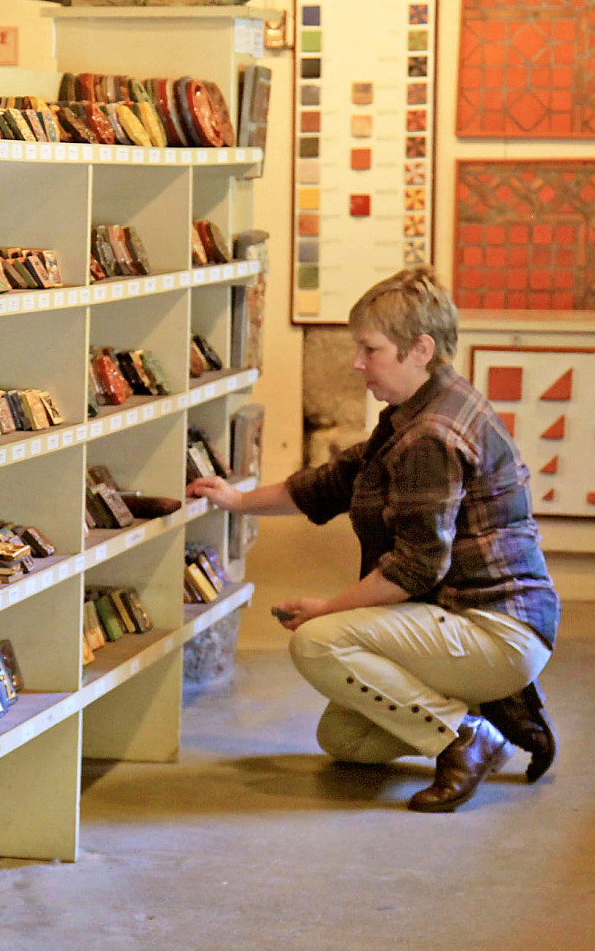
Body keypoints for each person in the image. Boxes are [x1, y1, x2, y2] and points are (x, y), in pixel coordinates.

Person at [187, 267, 558, 813]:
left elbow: (415, 568)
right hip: (475, 618)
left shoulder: (431, 435)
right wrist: (239, 500)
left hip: (492, 624)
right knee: (347, 741)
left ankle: (464, 737)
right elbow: (334, 481)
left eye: (370, 349)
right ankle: (491, 708)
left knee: (318, 642)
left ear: (420, 349)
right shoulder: (422, 408)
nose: (357, 363)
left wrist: (324, 610)